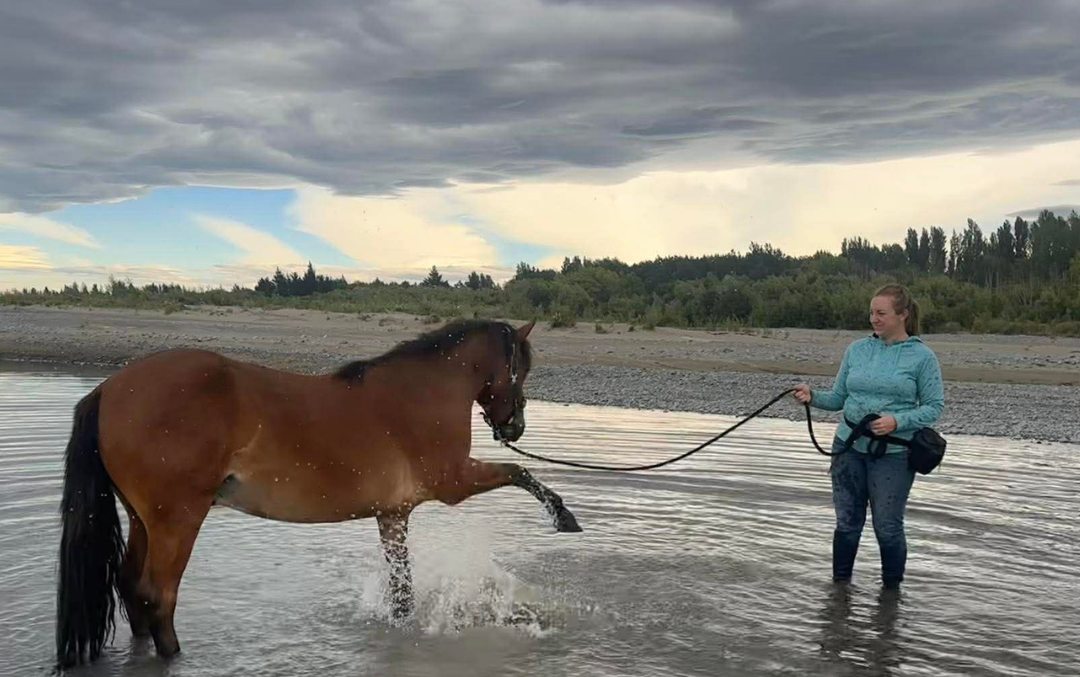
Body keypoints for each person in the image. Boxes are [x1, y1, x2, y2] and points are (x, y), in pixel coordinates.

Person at [793, 284, 944, 590]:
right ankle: (839, 592)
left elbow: (933, 407)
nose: (874, 319)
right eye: (872, 312)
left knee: (887, 528)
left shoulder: (922, 357)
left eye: (881, 313)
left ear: (902, 315)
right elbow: (837, 398)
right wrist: (812, 396)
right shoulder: (857, 350)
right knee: (847, 524)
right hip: (847, 447)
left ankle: (891, 595)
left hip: (894, 456)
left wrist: (897, 421)